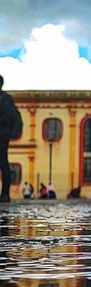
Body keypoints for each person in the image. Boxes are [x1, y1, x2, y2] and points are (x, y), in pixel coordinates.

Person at [0, 75, 23, 204]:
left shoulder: (5, 99)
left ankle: (5, 193)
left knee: (2, 162)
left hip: (2, 135)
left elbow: (8, 116)